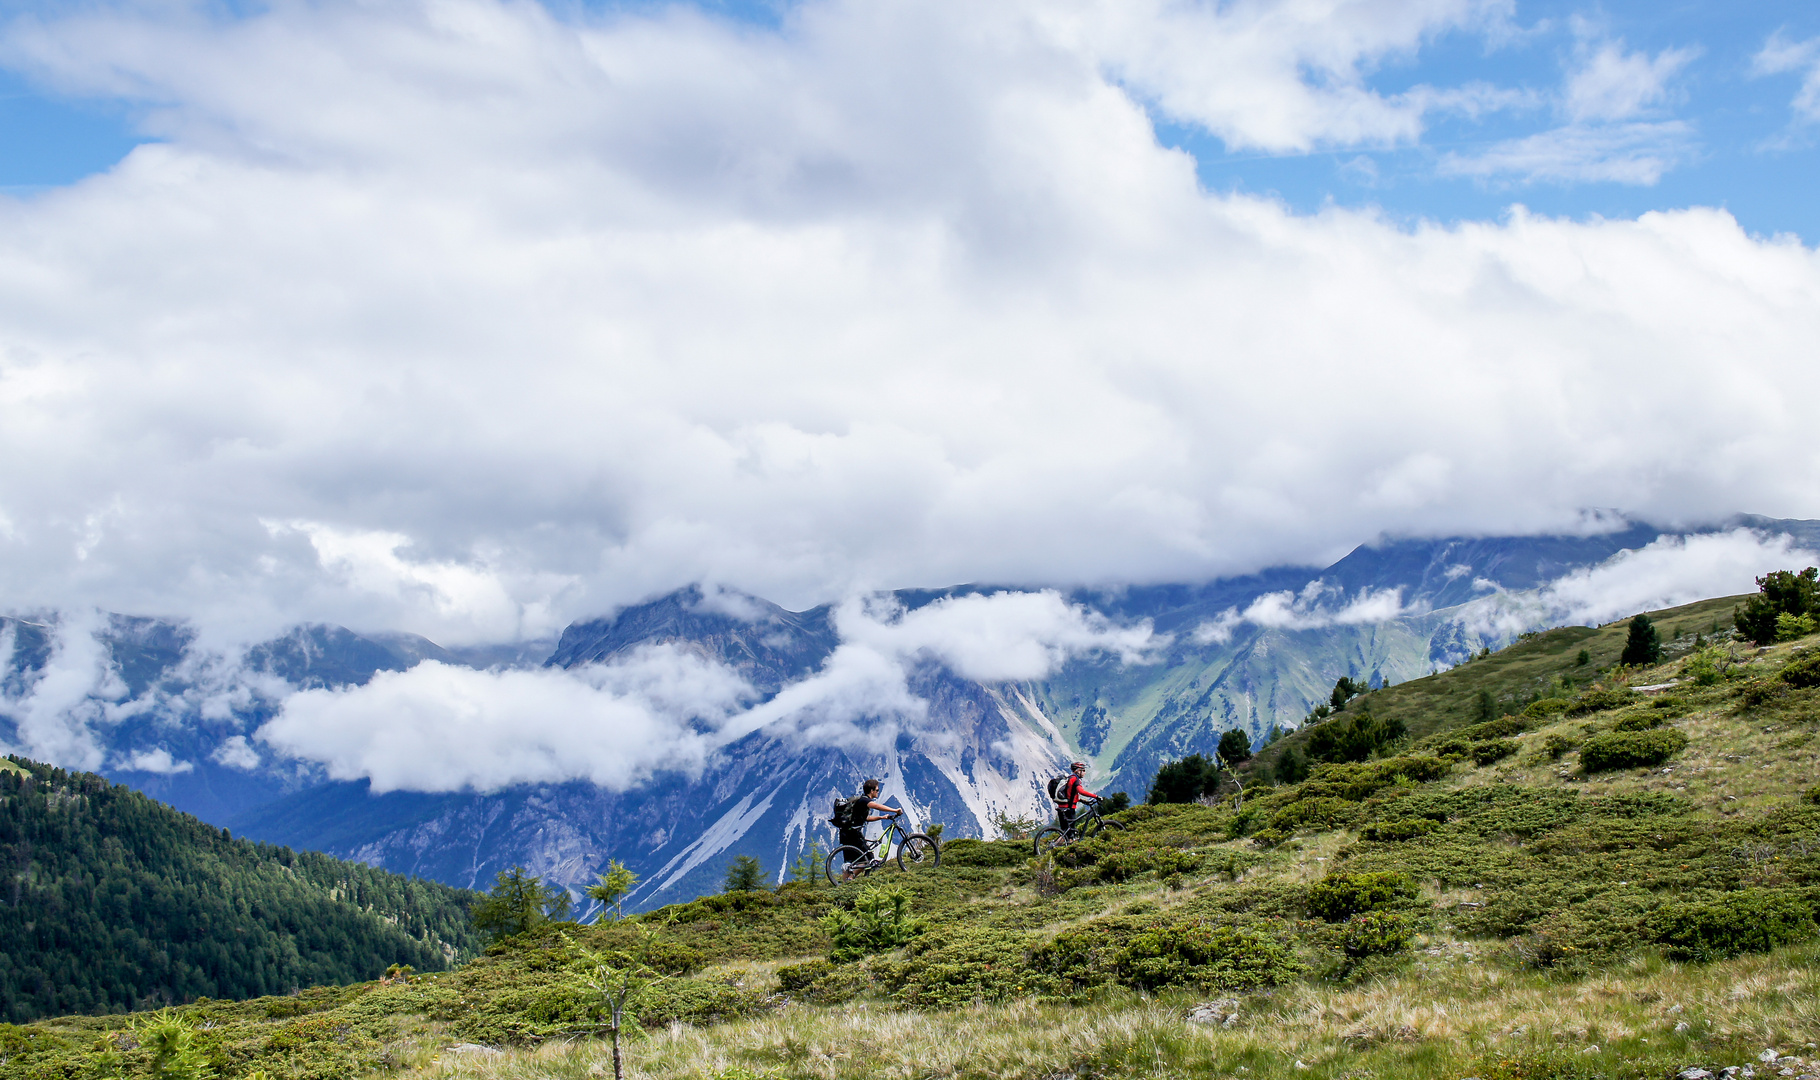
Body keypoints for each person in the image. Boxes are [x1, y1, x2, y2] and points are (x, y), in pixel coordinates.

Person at [838, 778, 899, 879]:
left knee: (851, 861)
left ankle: (844, 884)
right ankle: (850, 879)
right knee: (868, 858)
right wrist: (895, 810)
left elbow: (866, 818)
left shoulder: (862, 801)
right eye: (877, 790)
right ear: (872, 791)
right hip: (853, 834)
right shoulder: (865, 800)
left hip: (847, 832)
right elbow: (877, 806)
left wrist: (881, 817)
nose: (878, 792)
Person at [1055, 760, 1100, 833]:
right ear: (1078, 771)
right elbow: (1081, 791)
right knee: (1069, 832)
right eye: (1083, 770)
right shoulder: (1076, 780)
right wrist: (1096, 796)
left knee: (1065, 832)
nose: (1085, 773)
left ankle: (1057, 843)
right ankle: (1056, 844)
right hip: (1069, 808)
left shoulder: (1069, 778)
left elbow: (1070, 794)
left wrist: (1081, 800)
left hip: (1062, 806)